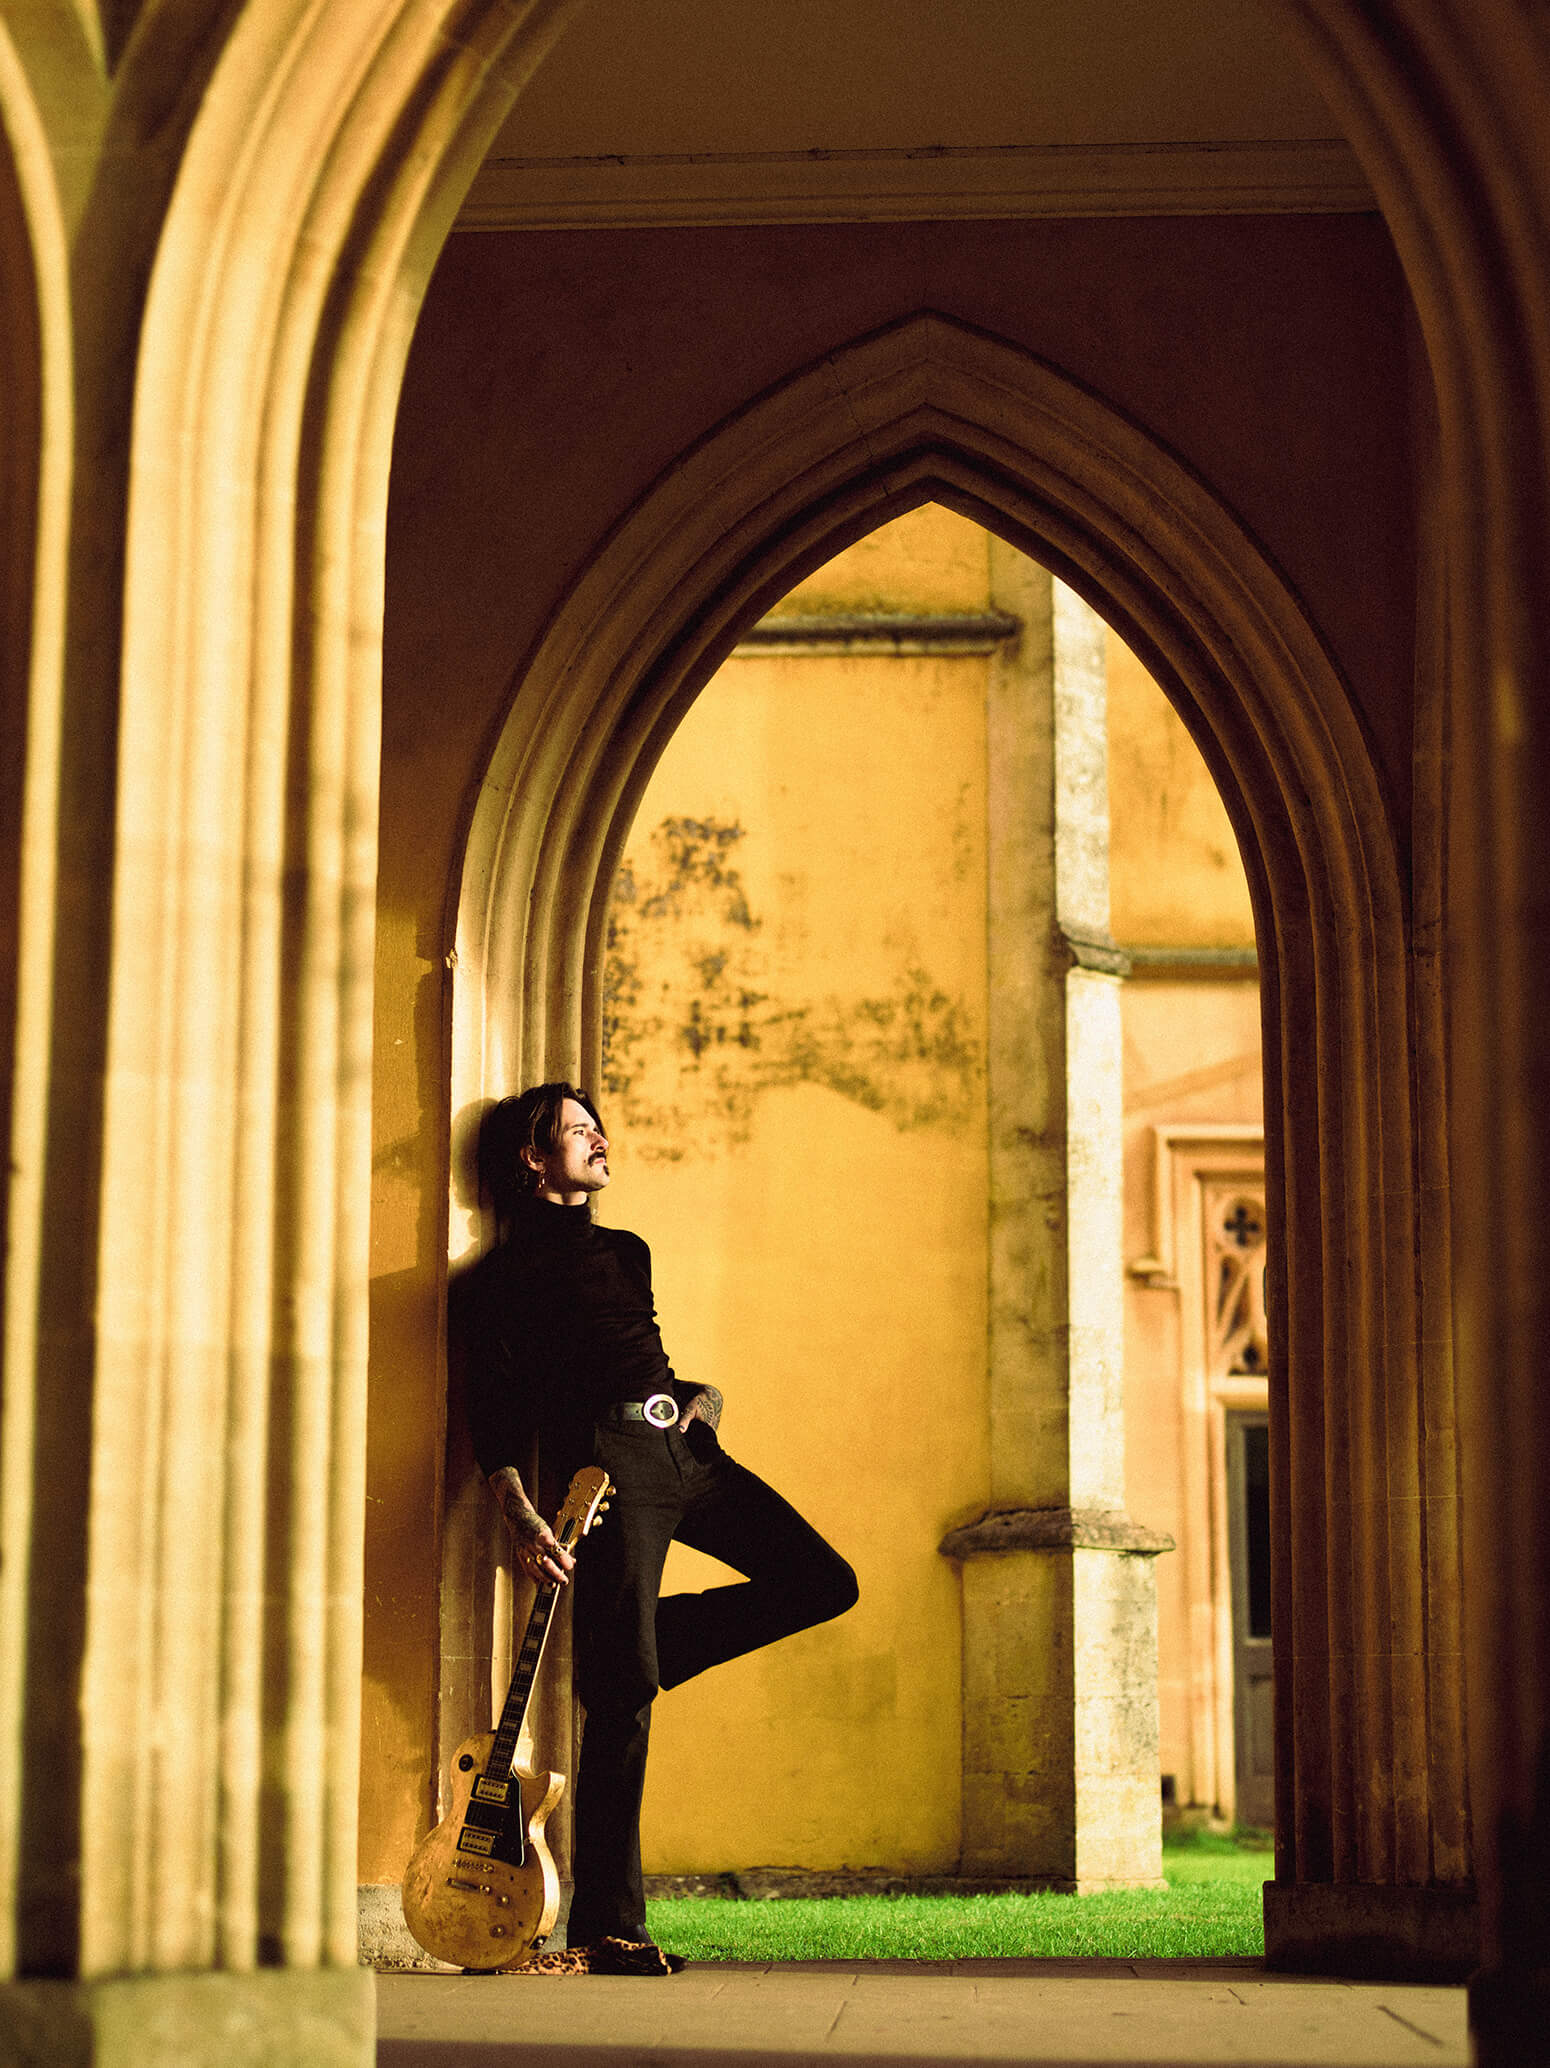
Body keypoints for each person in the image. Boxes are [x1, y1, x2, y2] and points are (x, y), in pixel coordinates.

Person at [459, 1081, 859, 1975]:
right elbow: (491, 1423)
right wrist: (526, 1522)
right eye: (575, 1130)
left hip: (684, 1450)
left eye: (595, 1125)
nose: (599, 1137)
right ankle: (612, 1926)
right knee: (623, 1703)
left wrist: (703, 1400)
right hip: (603, 1470)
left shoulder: (628, 1251)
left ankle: (655, 1640)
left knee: (825, 1581)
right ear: (532, 1159)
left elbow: (647, 1353)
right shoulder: (498, 1282)